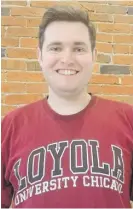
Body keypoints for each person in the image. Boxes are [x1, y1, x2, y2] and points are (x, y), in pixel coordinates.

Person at [1, 5, 133, 208]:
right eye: (55, 48)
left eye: (79, 49)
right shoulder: (10, 127)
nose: (67, 59)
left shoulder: (127, 119)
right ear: (40, 55)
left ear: (94, 56)